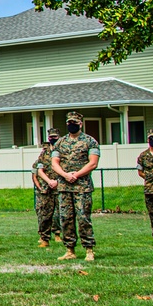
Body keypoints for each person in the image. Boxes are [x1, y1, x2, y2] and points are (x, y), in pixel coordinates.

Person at [51, 111, 100, 262]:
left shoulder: (90, 141)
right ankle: (69, 249)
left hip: (82, 187)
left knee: (83, 217)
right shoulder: (60, 142)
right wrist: (65, 175)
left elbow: (93, 162)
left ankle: (89, 249)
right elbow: (54, 163)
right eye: (69, 123)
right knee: (65, 218)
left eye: (74, 123)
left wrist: (76, 175)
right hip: (64, 187)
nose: (71, 125)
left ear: (80, 124)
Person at [32, 128, 61, 248]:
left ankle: (60, 235)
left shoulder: (64, 151)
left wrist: (58, 181)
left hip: (60, 186)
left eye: (55, 137)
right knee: (45, 214)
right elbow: (39, 170)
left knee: (60, 214)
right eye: (51, 137)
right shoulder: (44, 153)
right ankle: (44, 238)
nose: (53, 139)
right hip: (46, 188)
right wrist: (49, 182)